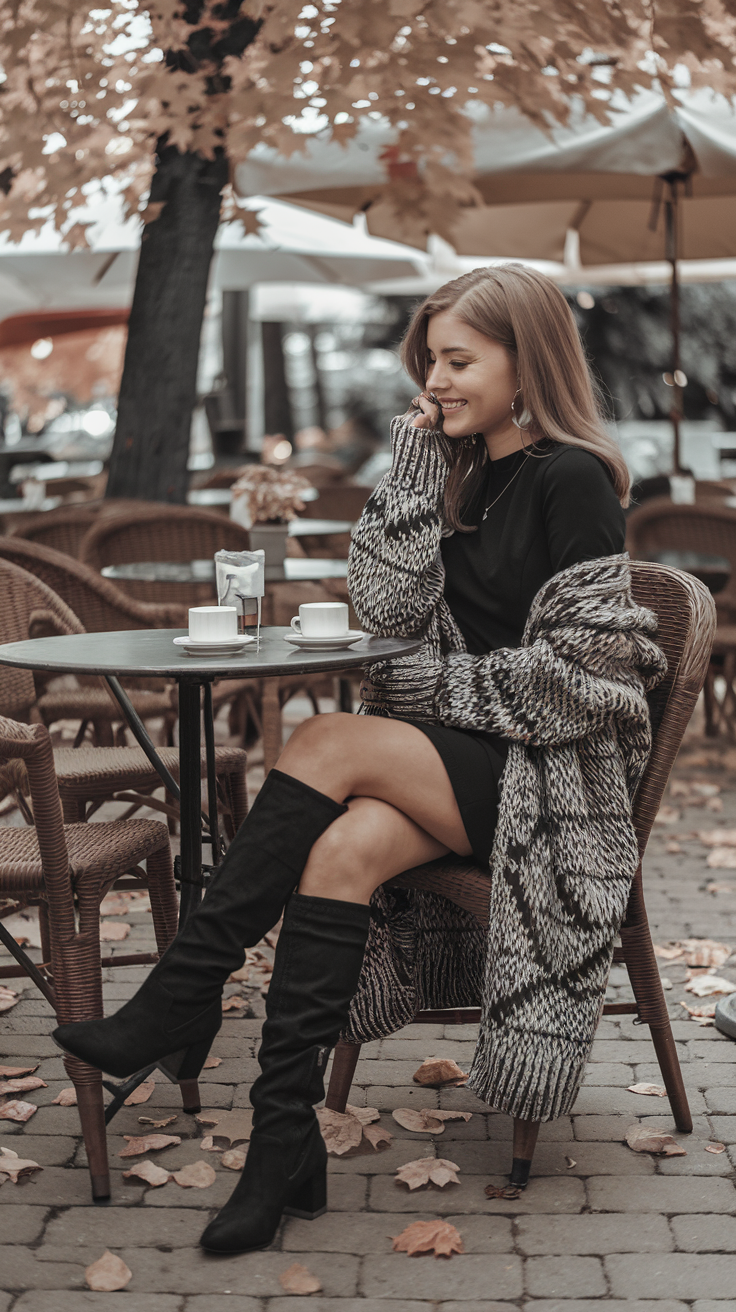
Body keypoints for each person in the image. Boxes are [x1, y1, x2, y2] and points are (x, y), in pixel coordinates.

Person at [54, 264, 664, 1255]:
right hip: (463, 757)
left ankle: (180, 993)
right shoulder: (459, 474)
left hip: (551, 779)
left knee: (324, 739)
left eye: (460, 359)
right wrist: (414, 474)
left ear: (529, 360)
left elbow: (586, 681)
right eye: (429, 360)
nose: (436, 379)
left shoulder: (572, 478)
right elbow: (385, 619)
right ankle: (281, 1141)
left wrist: (430, 693)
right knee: (338, 852)